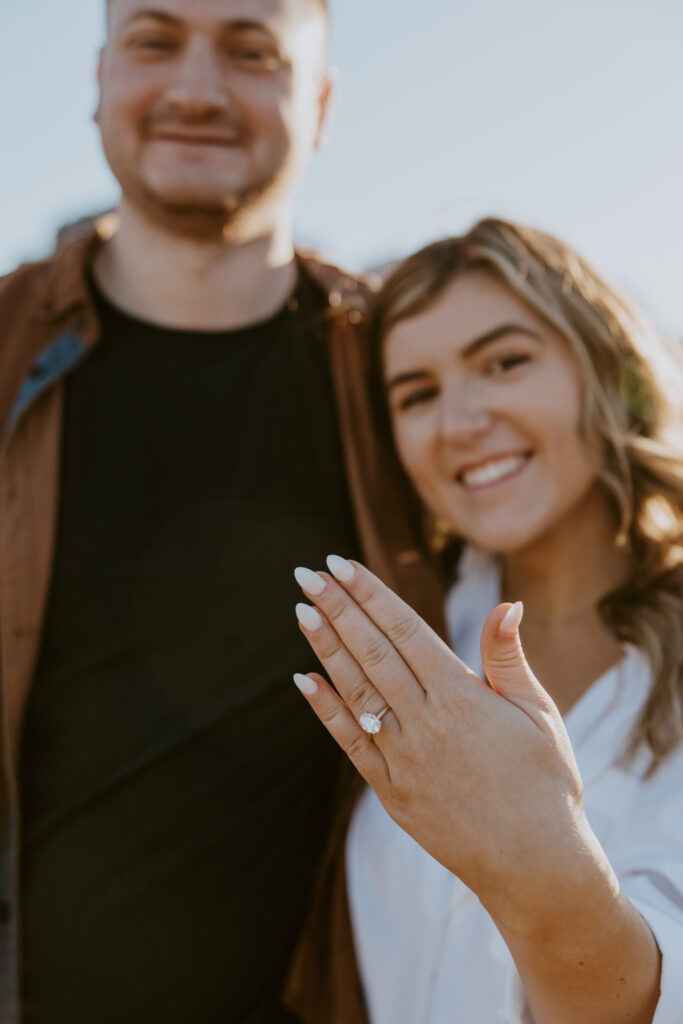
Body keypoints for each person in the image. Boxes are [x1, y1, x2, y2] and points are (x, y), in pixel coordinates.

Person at [0, 2, 445, 1022]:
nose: (196, 90)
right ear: (100, 77)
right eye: (154, 41)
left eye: (251, 52)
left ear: (321, 102)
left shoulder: (403, 374)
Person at [291, 218, 683, 1023]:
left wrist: (541, 869)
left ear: (604, 367)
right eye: (417, 394)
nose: (460, 422)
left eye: (503, 362)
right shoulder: (406, 628)